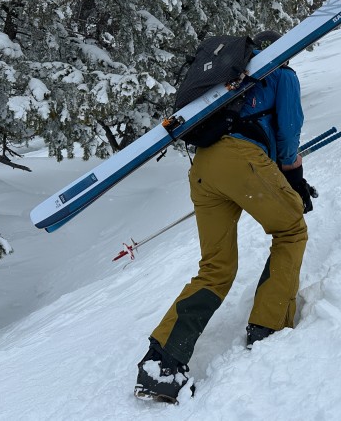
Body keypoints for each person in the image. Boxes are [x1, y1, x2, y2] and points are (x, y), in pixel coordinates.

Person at [134, 30, 316, 403]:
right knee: (291, 231)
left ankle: (162, 363)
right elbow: (288, 137)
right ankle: (268, 326)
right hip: (243, 160)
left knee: (215, 267)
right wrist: (294, 183)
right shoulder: (281, 72)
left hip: (203, 168)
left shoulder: (226, 79)